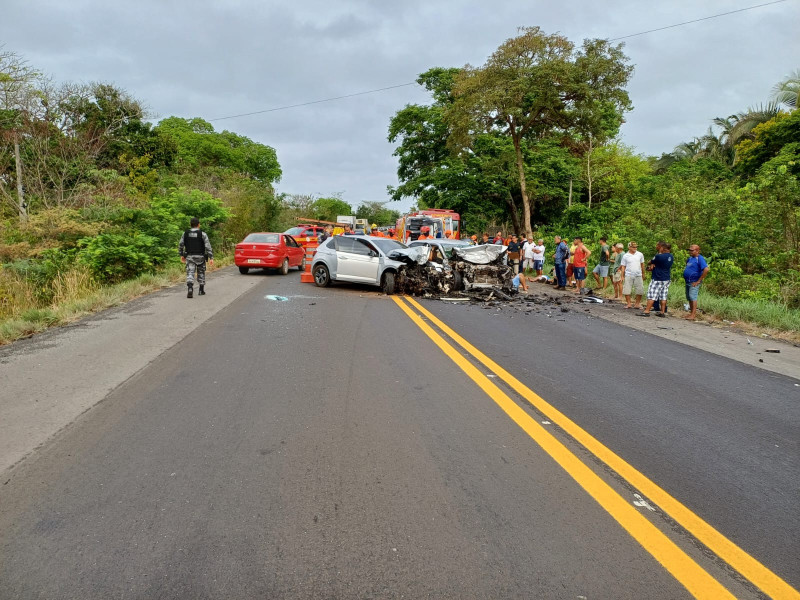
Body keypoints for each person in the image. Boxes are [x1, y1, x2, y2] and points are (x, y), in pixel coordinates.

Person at [179, 217, 214, 299]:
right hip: (200, 257)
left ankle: (190, 288)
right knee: (201, 272)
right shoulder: (203, 234)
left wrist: (181, 255)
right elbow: (208, 246)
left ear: (190, 225)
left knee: (190, 273)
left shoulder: (185, 233)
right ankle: (201, 290)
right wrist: (211, 257)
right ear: (198, 224)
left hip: (190, 256)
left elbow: (180, 245)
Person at [639, 242, 674, 317]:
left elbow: (650, 262)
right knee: (663, 295)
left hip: (658, 278)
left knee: (652, 294)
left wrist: (652, 263)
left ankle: (647, 311)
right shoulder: (671, 256)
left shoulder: (659, 256)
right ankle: (662, 312)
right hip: (666, 278)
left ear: (662, 248)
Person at [683, 244, 709, 321]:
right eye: (689, 250)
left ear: (697, 251)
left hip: (694, 282)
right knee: (689, 297)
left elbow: (706, 269)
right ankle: (691, 313)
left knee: (693, 297)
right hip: (688, 281)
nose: (690, 252)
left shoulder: (700, 259)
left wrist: (698, 281)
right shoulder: (690, 258)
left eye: (692, 250)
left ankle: (693, 315)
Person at [619, 241, 645, 309]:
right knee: (627, 289)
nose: (635, 248)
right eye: (633, 247)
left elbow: (642, 265)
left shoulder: (640, 254)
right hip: (629, 274)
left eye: (636, 247)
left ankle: (637, 304)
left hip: (638, 274)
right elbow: (623, 266)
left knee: (640, 289)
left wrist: (643, 274)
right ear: (629, 247)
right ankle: (629, 304)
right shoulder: (625, 256)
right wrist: (622, 276)